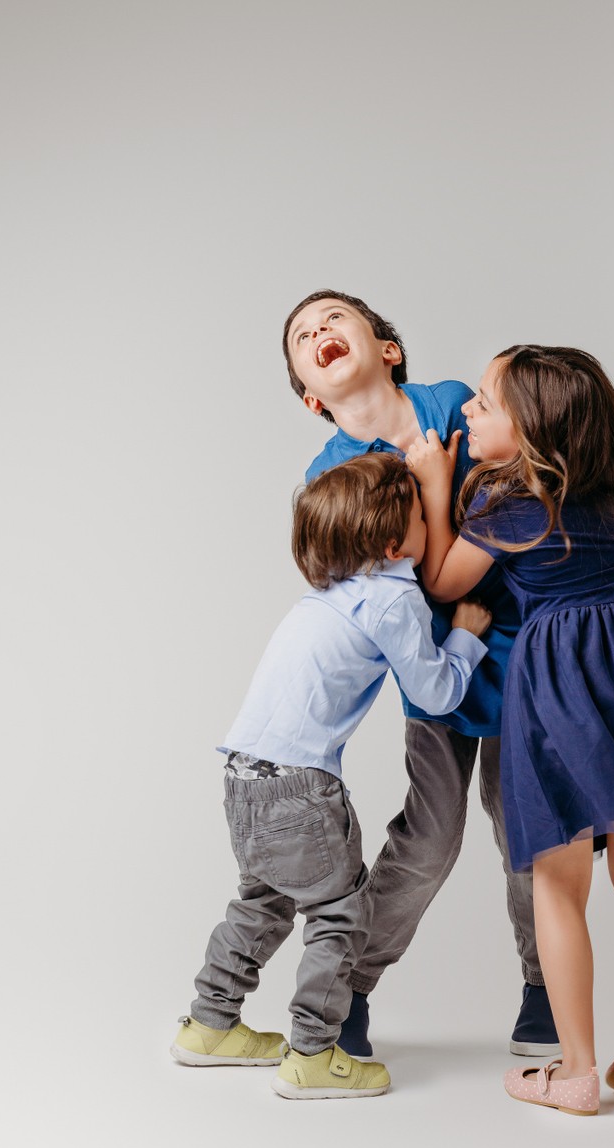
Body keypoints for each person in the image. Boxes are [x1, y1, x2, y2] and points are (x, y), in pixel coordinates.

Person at [284, 291, 614, 1058]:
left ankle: (544, 992)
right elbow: (398, 591)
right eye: (302, 335)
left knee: (527, 823)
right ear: (309, 396)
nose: (320, 332)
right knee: (430, 837)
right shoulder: (333, 478)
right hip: (439, 666)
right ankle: (347, 986)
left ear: (388, 349)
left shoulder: (458, 404)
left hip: (536, 652)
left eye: (334, 319)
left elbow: (551, 473)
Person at [405, 344, 614, 1116]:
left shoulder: (504, 507)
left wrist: (431, 483)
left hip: (566, 691)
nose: (466, 411)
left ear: (530, 432)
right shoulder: (604, 500)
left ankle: (578, 1071)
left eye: (485, 403)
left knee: (557, 886)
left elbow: (440, 581)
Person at [171, 453, 491, 1099]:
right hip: (300, 786)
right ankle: (314, 1052)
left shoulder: (325, 595)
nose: (435, 519)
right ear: (390, 541)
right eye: (424, 513)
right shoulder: (396, 597)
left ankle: (208, 1023)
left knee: (261, 901)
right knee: (342, 915)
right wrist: (465, 635)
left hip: (240, 777)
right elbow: (434, 695)